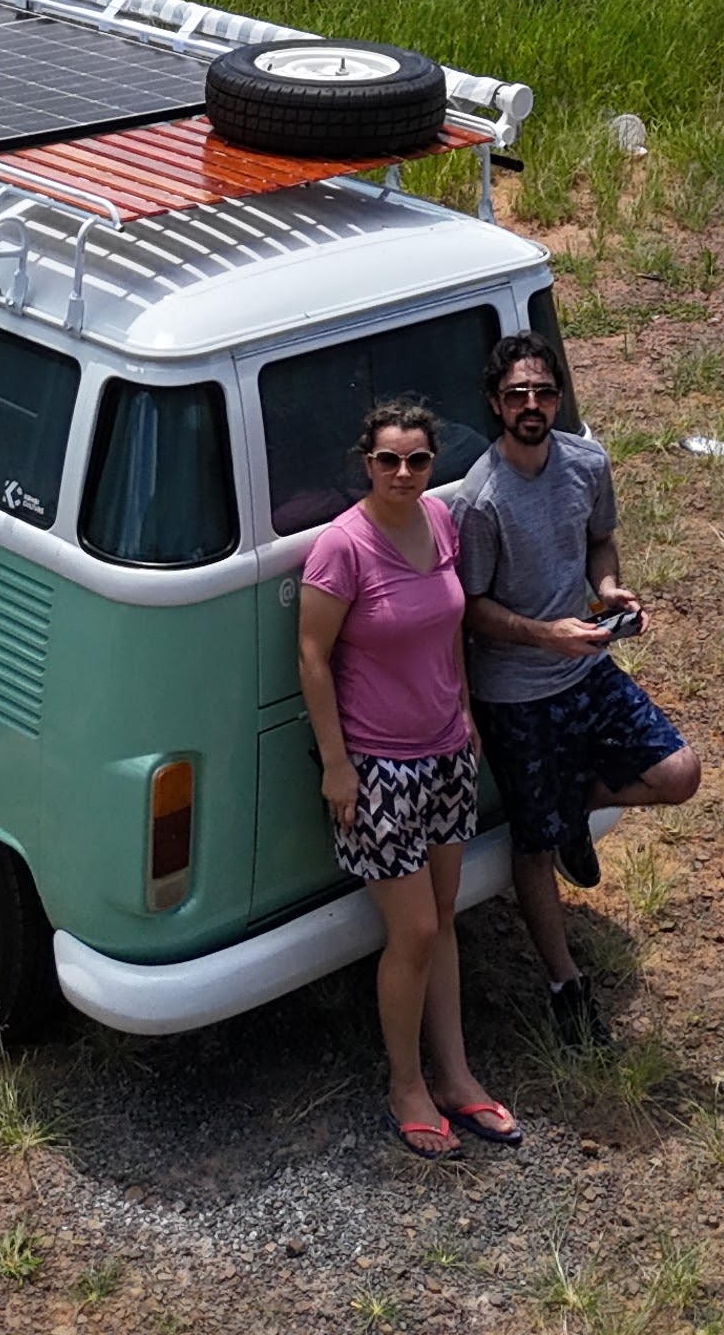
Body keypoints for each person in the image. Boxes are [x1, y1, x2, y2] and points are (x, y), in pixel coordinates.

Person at [456, 331, 701, 1043]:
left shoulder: (588, 463)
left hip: (589, 664)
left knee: (678, 772)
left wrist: (610, 591)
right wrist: (545, 634)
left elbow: (600, 542)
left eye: (542, 391)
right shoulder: (480, 499)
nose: (531, 405)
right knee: (532, 847)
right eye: (516, 395)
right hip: (517, 690)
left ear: (558, 397)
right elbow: (469, 611)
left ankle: (569, 813)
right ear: (496, 405)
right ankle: (566, 985)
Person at [298, 399, 524, 1159]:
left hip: (445, 752)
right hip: (378, 767)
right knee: (416, 929)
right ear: (366, 462)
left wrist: (463, 709)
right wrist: (337, 766)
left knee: (443, 921)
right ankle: (406, 1084)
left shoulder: (440, 522)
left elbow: (449, 626)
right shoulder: (342, 548)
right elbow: (312, 657)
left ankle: (457, 1076)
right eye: (389, 459)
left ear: (433, 464)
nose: (403, 472)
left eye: (418, 459)